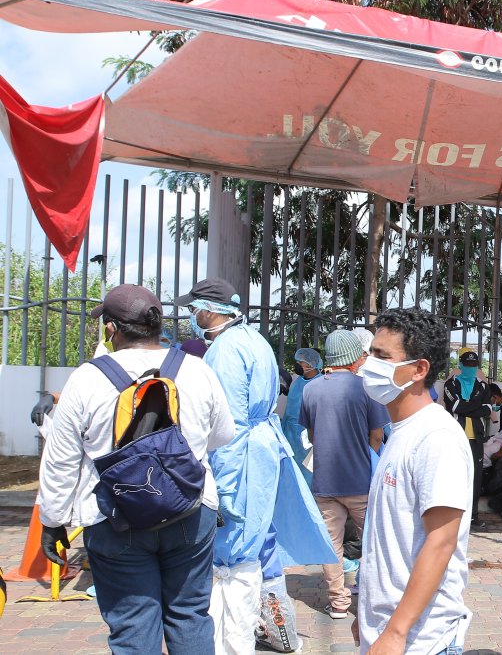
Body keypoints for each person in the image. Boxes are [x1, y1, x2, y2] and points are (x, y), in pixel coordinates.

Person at [38, 284, 236, 653]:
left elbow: (61, 459)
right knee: (190, 614)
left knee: (133, 624)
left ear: (112, 329)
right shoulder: (196, 371)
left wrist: (54, 520)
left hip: (116, 516)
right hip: (190, 511)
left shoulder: (86, 378)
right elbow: (223, 434)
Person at [179, 278, 334, 652]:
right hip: (263, 452)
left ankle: (232, 642)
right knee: (263, 543)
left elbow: (229, 424)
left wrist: (226, 486)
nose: (192, 316)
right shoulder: (254, 340)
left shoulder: (225, 351)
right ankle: (283, 633)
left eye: (194, 308)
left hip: (242, 455)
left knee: (234, 554)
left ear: (210, 310)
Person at [354, 308, 474, 654]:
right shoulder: (400, 433)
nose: (368, 365)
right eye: (370, 354)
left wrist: (396, 631)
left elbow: (440, 541)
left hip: (421, 639)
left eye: (382, 356)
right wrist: (366, 617)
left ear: (419, 369)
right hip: (386, 628)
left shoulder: (436, 437)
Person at [300, 330, 391, 620]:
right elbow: (377, 436)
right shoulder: (366, 389)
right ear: (355, 357)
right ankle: (374, 599)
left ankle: (338, 603)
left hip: (325, 482)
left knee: (331, 545)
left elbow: (312, 434)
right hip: (361, 482)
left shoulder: (310, 389)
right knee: (376, 541)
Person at [443, 347, 491, 528]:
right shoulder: (451, 384)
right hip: (456, 437)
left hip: (476, 439)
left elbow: (487, 410)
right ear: (460, 365)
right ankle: (454, 516)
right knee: (455, 475)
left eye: (474, 365)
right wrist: (475, 404)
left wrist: (466, 405)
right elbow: (455, 406)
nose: (471, 368)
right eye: (468, 364)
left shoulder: (482, 385)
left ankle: (473, 515)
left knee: (475, 476)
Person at [281, 347, 322, 484]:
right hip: (290, 434)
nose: (297, 364)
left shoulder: (320, 383)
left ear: (311, 364)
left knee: (308, 474)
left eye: (301, 362)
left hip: (308, 437)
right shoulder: (297, 382)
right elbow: (289, 410)